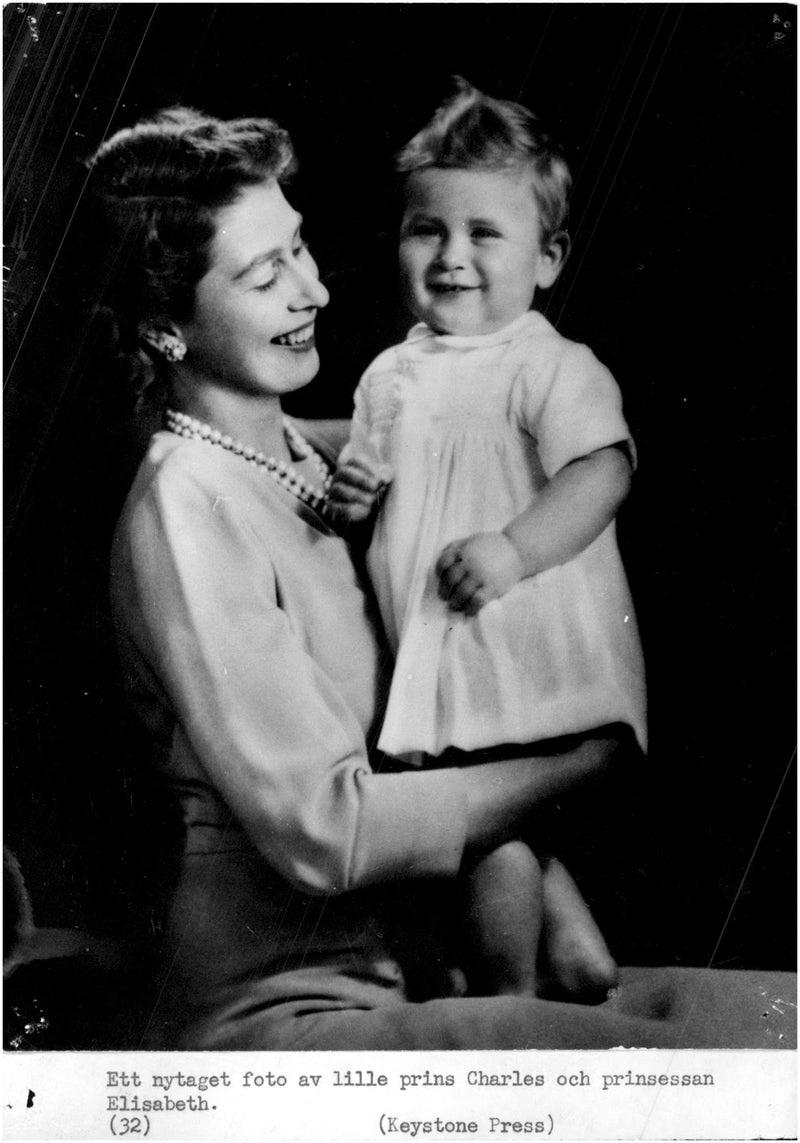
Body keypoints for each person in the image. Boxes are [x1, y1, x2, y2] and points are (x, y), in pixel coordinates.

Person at [90, 106, 793, 1050]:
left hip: (417, 965)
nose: (316, 293)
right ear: (164, 326)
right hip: (283, 1004)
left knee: (764, 1021)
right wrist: (573, 769)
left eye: (301, 251)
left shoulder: (308, 450)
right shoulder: (186, 508)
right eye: (266, 275)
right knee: (735, 1059)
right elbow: (325, 832)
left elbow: (520, 451)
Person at [330, 79, 644, 1000]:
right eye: (427, 229)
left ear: (548, 259)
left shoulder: (546, 363)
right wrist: (355, 491)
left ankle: (507, 997)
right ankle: (578, 957)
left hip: (517, 646)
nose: (452, 255)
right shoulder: (390, 372)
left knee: (485, 827)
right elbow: (372, 478)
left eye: (484, 233)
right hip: (445, 655)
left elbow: (603, 470)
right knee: (505, 814)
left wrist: (513, 548)